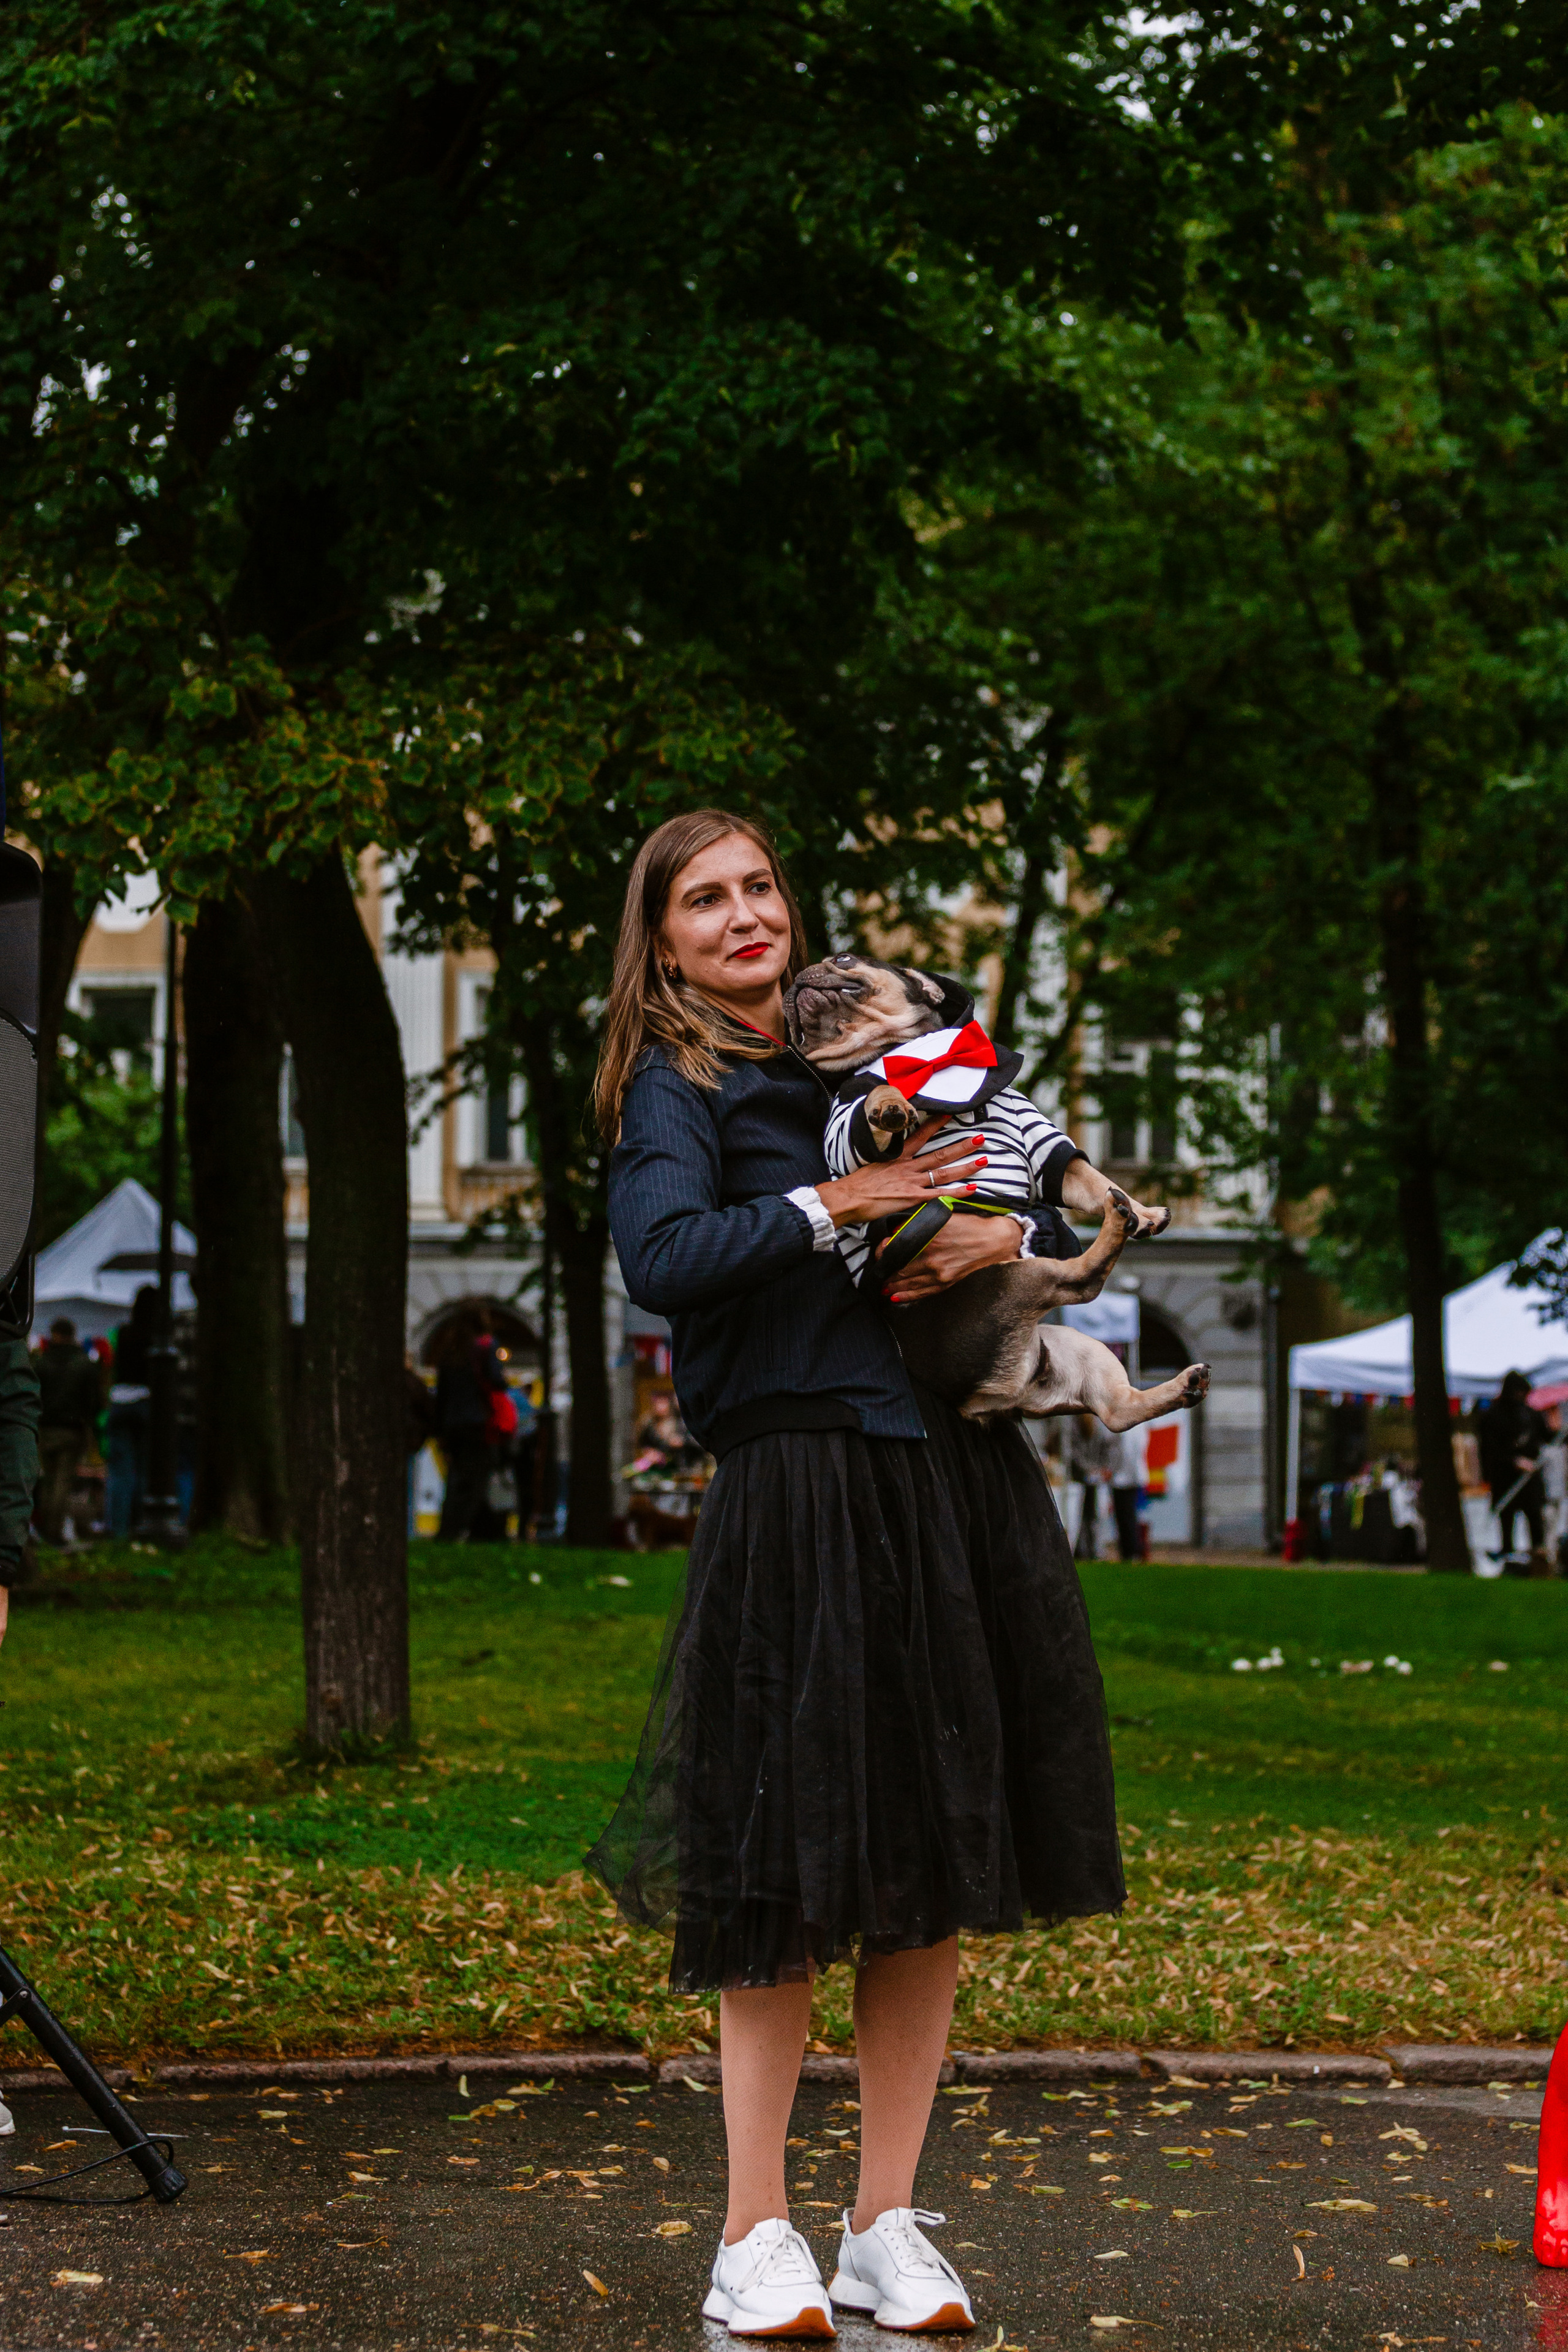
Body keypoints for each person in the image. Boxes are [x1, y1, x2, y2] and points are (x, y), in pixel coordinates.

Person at [586, 809, 1138, 2340]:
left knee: (931, 1847)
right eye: (705, 899)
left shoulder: (875, 1050)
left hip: (947, 1478)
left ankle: (883, 2223)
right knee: (779, 1856)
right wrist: (840, 1204)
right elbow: (663, 1259)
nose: (744, 914)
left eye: (759, 885)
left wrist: (989, 1232)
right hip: (799, 1484)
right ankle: (749, 2232)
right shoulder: (677, 1083)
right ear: (662, 937)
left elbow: (1002, 1183)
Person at [435, 1313, 509, 1541]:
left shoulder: (449, 1352)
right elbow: (496, 1380)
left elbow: (442, 1396)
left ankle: (456, 1529)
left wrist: (441, 1432)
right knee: (477, 1479)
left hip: (452, 1424)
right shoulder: (484, 1346)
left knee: (457, 1478)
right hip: (478, 1421)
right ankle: (461, 1531)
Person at [34, 1316, 100, 1546]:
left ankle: (45, 1529)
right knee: (63, 1482)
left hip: (45, 1429)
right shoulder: (83, 1363)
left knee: (48, 1480)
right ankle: (54, 1530)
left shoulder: (41, 1362)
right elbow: (93, 1401)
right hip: (72, 1430)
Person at [1479, 1369, 1550, 1572]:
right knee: (1507, 1518)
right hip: (1505, 1479)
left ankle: (1538, 1558)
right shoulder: (1493, 1416)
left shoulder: (1532, 1415)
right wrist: (1514, 1461)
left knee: (1535, 1517)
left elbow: (1545, 1437)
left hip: (1530, 1480)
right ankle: (1508, 1558)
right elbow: (1490, 1449)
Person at [105, 1286, 157, 1539]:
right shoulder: (156, 1336)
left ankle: (117, 1528)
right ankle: (140, 1524)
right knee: (145, 1469)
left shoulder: (124, 1333)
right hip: (145, 1401)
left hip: (119, 1401)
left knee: (120, 1471)